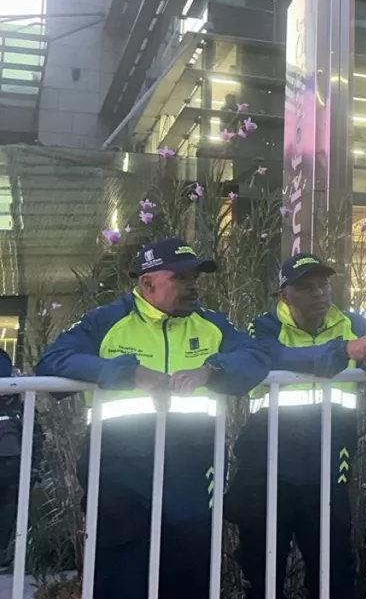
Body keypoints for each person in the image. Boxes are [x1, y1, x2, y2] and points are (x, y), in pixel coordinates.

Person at [35, 237, 270, 598]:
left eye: (195, 278)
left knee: (188, 580)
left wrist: (212, 370)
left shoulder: (211, 324)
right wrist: (129, 372)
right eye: (180, 278)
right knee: (120, 582)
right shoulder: (107, 320)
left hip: (192, 475)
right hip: (118, 475)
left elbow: (257, 356)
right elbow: (52, 362)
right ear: (147, 284)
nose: (193, 286)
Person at [228, 252, 366, 599]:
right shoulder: (264, 326)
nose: (319, 293)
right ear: (284, 295)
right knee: (262, 569)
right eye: (307, 287)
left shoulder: (351, 321)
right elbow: (275, 356)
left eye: (324, 285)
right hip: (269, 471)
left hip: (330, 468)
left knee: (334, 570)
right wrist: (347, 350)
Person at [0, 349, 43, 573]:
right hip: (14, 471)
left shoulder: (22, 407)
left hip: (14, 473)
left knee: (9, 515)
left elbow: (36, 436)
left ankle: (4, 557)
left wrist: (35, 468)